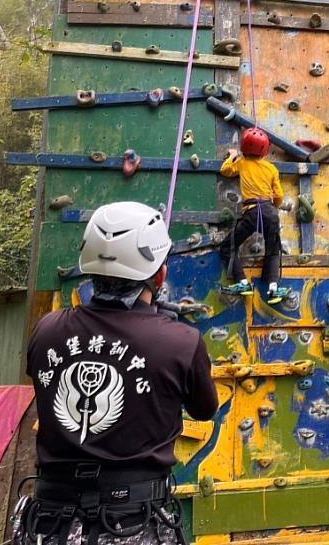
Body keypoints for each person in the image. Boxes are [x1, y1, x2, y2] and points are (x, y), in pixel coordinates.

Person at [20, 201, 218, 545]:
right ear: (160, 274)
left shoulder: (46, 329)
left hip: (50, 525)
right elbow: (204, 409)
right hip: (132, 525)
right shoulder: (180, 341)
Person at [218, 126, 287, 304]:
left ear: (243, 146)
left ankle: (242, 282)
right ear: (265, 150)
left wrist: (233, 155)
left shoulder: (241, 163)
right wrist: (273, 208)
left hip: (251, 211)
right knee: (273, 251)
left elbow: (225, 170)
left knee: (228, 247)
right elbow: (278, 196)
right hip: (269, 210)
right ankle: (273, 289)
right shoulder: (271, 169)